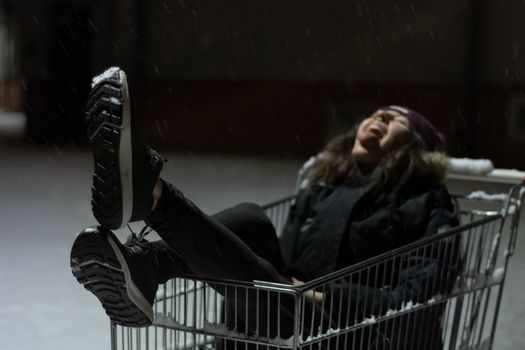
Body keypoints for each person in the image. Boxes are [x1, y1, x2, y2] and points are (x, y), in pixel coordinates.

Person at [71, 67, 459, 349]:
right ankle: (151, 250)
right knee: (252, 221)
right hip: (285, 319)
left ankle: (152, 212)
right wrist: (293, 287)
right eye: (375, 113)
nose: (378, 118)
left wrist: (322, 294)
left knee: (277, 293)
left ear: (418, 149)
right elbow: (275, 266)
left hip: (359, 334)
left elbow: (419, 299)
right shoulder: (323, 188)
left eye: (393, 119)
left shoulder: (428, 203)